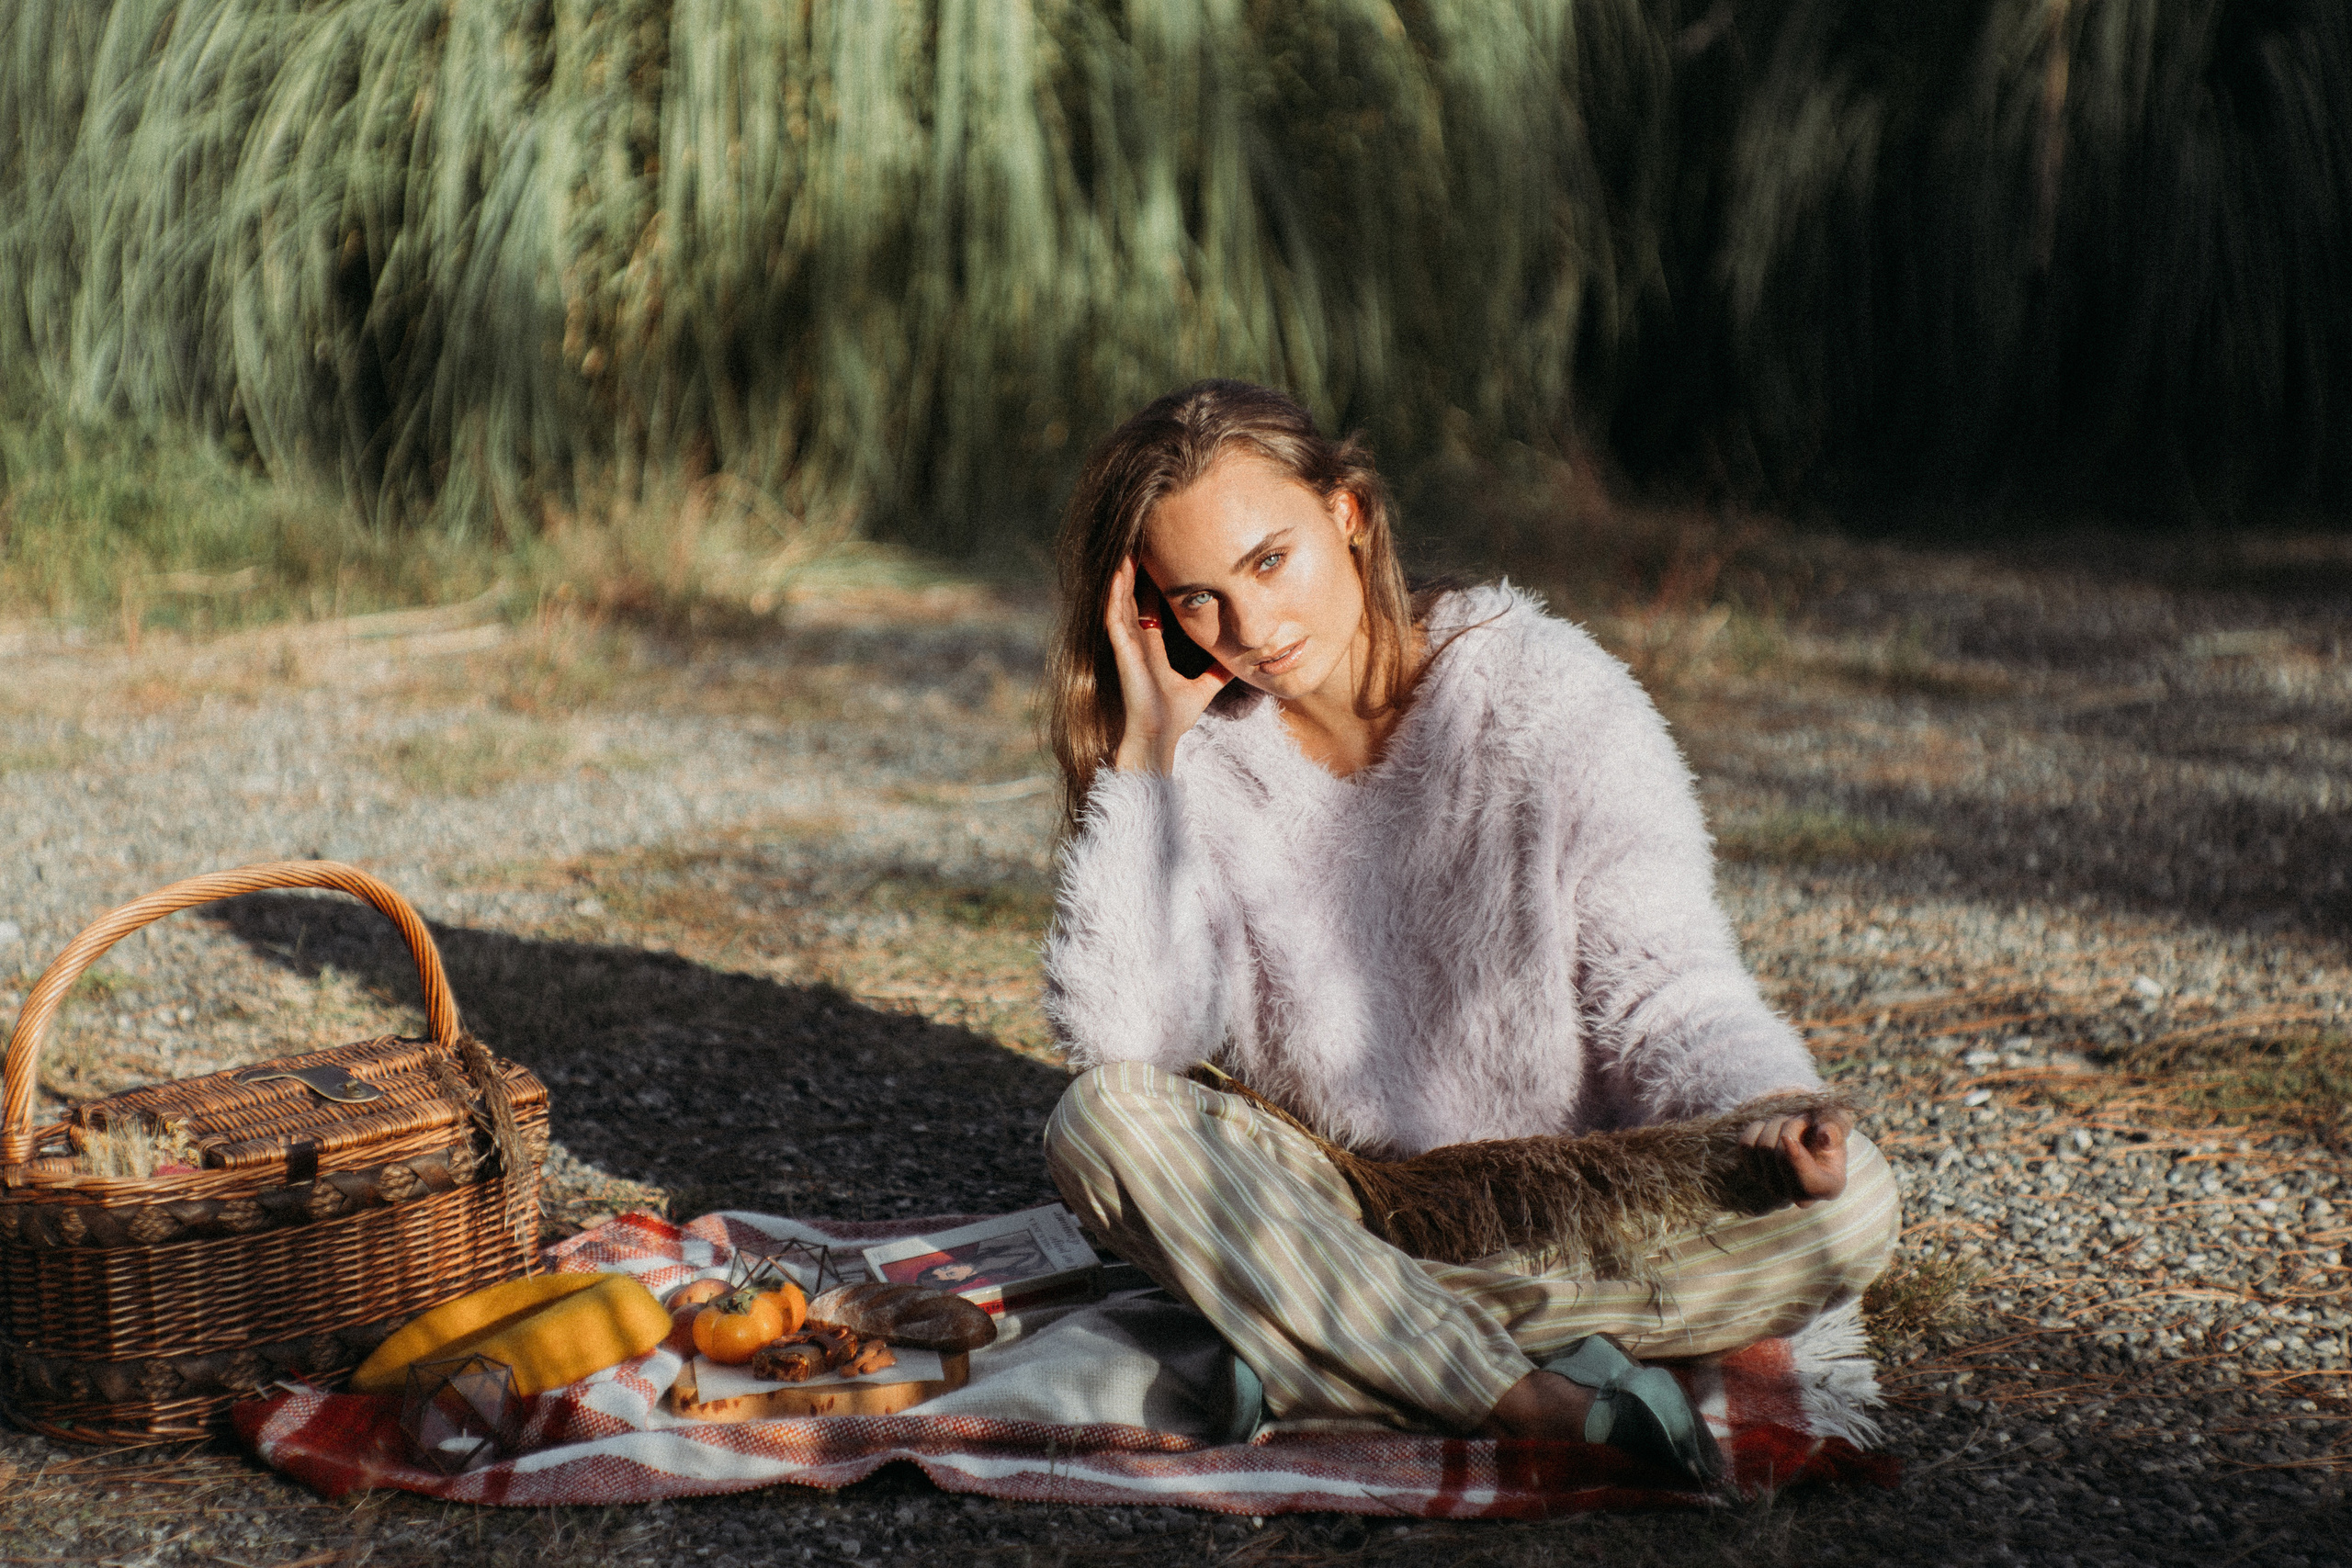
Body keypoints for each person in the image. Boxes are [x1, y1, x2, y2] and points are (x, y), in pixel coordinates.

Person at [1037, 379, 1898, 1481]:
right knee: (1099, 1122)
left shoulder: (1549, 696)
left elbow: (1667, 992)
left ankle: (1333, 1347)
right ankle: (1525, 1396)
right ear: (1152, 613)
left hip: (1580, 1209)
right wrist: (1147, 756)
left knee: (1855, 1199)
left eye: (1268, 562)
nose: (1249, 631)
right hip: (1348, 1202)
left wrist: (1771, 1115)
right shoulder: (1199, 758)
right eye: (1198, 598)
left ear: (1346, 515)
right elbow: (1125, 1042)